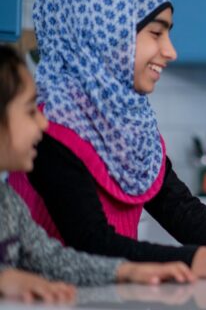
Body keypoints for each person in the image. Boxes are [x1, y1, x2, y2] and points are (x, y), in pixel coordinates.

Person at [8, 0, 206, 280]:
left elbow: (183, 213)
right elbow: (92, 243)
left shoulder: (131, 127)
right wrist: (205, 261)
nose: (170, 51)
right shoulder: (46, 127)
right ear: (104, 32)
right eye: (156, 33)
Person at [0, 45, 195, 304]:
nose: (43, 122)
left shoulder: (7, 201)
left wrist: (127, 271)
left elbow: (52, 259)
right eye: (29, 111)